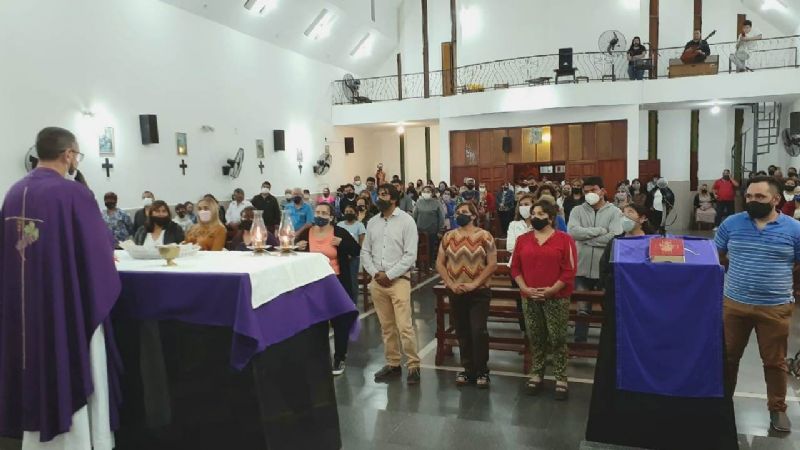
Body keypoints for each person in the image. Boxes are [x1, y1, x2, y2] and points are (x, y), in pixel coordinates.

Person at [0, 127, 121, 447]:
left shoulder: (13, 192)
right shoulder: (72, 193)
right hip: (66, 303)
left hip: (25, 305)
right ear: (68, 155)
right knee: (71, 358)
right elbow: (99, 249)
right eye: (76, 156)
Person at [715, 176, 800, 433]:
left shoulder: (794, 229)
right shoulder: (731, 223)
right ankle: (721, 405)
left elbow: (798, 265)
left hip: (774, 307)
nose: (752, 201)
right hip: (735, 305)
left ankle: (777, 410)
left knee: (774, 362)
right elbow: (718, 256)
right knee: (728, 358)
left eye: (760, 197)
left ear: (775, 199)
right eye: (749, 196)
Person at [511, 200, 577, 400]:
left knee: (557, 337)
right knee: (535, 336)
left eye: (540, 214)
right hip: (529, 296)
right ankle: (537, 372)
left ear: (551, 217)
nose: (535, 217)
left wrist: (551, 290)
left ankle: (560, 377)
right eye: (533, 214)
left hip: (556, 297)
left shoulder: (564, 240)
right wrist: (524, 288)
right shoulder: (523, 239)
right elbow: (515, 268)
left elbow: (569, 271)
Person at [361, 183, 420, 385]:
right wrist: (375, 273)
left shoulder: (407, 221)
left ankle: (413, 365)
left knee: (404, 326)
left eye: (384, 194)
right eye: (379, 194)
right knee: (387, 326)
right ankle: (393, 363)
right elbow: (365, 251)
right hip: (378, 280)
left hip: (399, 281)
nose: (379, 197)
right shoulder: (372, 223)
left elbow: (411, 254)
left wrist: (390, 274)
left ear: (394, 199)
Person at [436, 201, 497, 388]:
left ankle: (482, 370)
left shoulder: (484, 236)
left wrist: (474, 284)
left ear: (473, 215)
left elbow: (492, 264)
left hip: (479, 292)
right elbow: (440, 263)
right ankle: (468, 369)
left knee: (478, 330)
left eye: (464, 212)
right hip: (456, 291)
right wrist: (450, 283)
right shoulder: (448, 236)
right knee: (462, 330)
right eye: (457, 212)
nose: (459, 215)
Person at [295, 202, 360, 375]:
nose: (320, 215)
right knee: (317, 322)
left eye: (324, 213)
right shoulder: (306, 232)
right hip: (313, 283)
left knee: (340, 321)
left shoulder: (339, 232)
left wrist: (341, 244)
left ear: (331, 217)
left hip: (336, 282)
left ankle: (339, 357)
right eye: (317, 212)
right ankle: (319, 357)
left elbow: (356, 249)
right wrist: (298, 247)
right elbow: (291, 248)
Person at [568, 176, 623, 343]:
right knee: (582, 310)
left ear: (603, 191)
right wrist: (599, 230)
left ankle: (608, 345)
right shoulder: (577, 211)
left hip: (604, 269)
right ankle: (579, 343)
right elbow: (573, 232)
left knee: (608, 309)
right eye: (586, 192)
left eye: (593, 190)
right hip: (582, 267)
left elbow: (614, 235)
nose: (589, 194)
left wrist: (588, 239)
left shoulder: (615, 212)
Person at [337, 204, 367, 302]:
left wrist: (352, 253)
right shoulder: (339, 225)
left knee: (353, 280)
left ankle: (353, 302)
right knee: (341, 280)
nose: (348, 213)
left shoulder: (359, 225)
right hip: (341, 257)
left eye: (351, 212)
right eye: (346, 212)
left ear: (355, 213)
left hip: (353, 257)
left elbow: (361, 243)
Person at [413, 185, 445, 266]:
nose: (426, 193)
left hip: (432, 231)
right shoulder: (419, 202)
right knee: (419, 248)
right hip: (420, 230)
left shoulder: (436, 203)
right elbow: (415, 216)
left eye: (428, 191)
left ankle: (430, 263)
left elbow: (441, 217)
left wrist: (440, 230)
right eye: (424, 191)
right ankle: (419, 264)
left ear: (432, 193)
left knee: (430, 248)